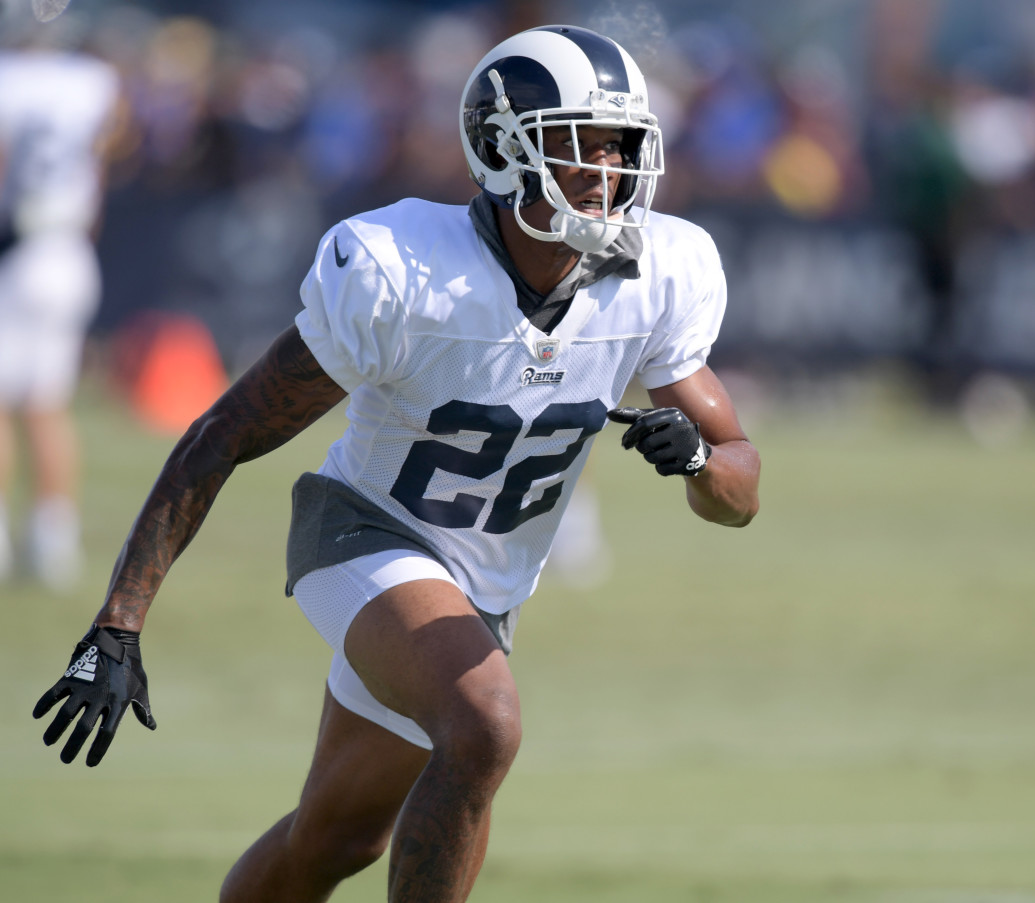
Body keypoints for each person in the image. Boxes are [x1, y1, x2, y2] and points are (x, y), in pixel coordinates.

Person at [32, 24, 760, 903]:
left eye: (621, 147)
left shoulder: (659, 272)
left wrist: (697, 463)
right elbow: (224, 432)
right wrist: (120, 618)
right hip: (363, 532)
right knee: (484, 724)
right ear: (503, 149)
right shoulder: (402, 270)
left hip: (483, 587)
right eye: (577, 145)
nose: (607, 172)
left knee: (334, 839)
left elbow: (739, 488)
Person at [0, 33, 119, 589]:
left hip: (16, 249)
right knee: (47, 402)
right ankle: (54, 540)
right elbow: (111, 146)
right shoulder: (91, 80)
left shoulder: (12, 79)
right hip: (69, 250)